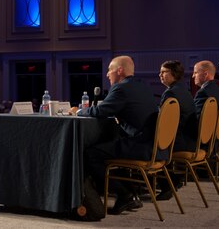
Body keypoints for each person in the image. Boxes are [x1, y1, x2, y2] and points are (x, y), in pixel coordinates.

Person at [75, 56, 158, 216]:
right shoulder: (143, 86)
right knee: (109, 146)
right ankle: (131, 192)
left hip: (140, 146)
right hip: (153, 145)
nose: (107, 74)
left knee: (91, 154)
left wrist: (79, 111)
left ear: (120, 70)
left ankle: (124, 194)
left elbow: (100, 111)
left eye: (109, 70)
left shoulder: (121, 88)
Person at [156, 60, 197, 200]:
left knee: (150, 144)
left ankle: (167, 185)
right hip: (188, 138)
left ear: (174, 74)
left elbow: (163, 123)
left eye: (163, 72)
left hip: (179, 141)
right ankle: (173, 179)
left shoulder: (171, 93)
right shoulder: (183, 90)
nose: (159, 74)